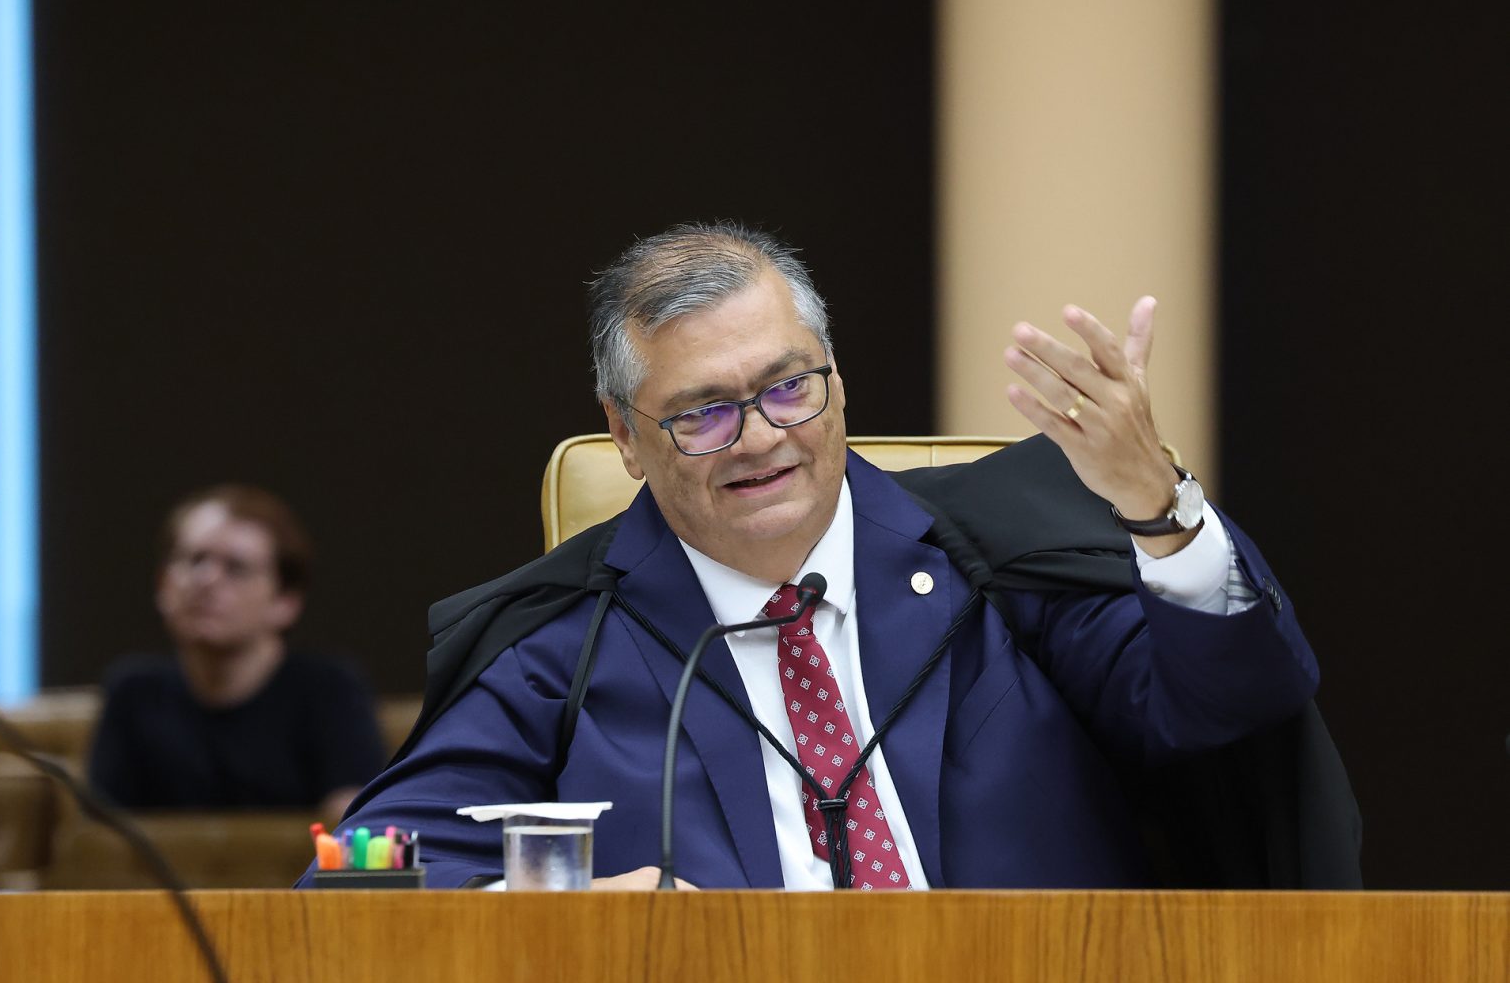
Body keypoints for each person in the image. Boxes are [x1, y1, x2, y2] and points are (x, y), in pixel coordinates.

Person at [310, 220, 1323, 890]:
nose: (760, 437)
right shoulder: (561, 644)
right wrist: (558, 905)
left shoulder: (997, 568)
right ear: (624, 436)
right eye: (704, 412)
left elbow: (1231, 707)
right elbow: (356, 874)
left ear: (838, 378)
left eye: (789, 387)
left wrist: (1157, 508)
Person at [88, 485, 385, 827]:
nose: (207, 580)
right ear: (163, 585)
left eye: (236, 568)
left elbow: (358, 825)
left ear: (285, 602)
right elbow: (101, 838)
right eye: (194, 560)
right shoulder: (133, 692)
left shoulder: (330, 689)